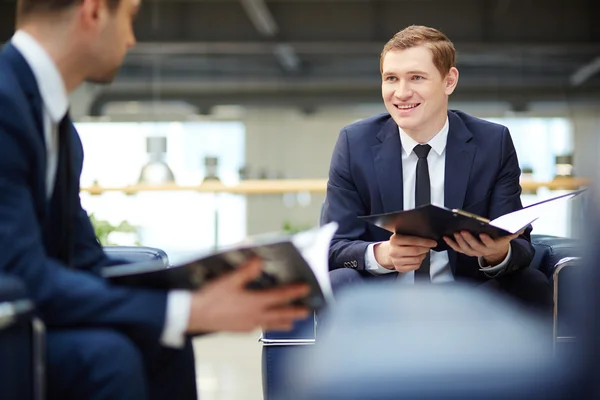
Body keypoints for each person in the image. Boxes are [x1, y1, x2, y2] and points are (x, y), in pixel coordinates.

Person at [0, 1, 310, 399]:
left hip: (29, 312)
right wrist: (185, 311)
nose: (132, 39)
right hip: (12, 312)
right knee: (108, 358)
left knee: (167, 343)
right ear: (93, 12)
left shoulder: (57, 126)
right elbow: (21, 274)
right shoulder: (7, 106)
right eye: (129, 18)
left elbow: (82, 258)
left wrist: (193, 294)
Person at [322, 25, 552, 315]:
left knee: (530, 283)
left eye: (416, 77)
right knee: (340, 281)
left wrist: (496, 254)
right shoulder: (354, 143)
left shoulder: (493, 143)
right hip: (383, 296)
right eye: (391, 78)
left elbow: (520, 244)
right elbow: (333, 247)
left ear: (449, 80)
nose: (401, 93)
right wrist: (383, 255)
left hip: (468, 294)